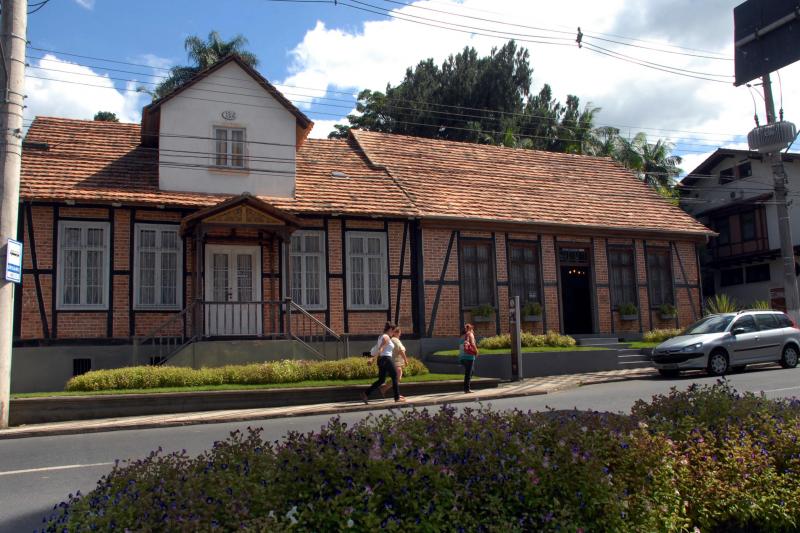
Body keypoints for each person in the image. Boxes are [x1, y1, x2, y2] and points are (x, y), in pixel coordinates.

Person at [361, 322, 406, 403]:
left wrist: (373, 357)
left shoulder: (380, 336)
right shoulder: (386, 337)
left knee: (381, 380)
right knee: (395, 376)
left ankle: (366, 393)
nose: (393, 333)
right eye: (393, 331)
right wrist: (372, 359)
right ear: (390, 329)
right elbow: (381, 349)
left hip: (381, 360)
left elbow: (376, 348)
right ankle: (397, 398)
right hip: (386, 359)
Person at [380, 326, 409, 398]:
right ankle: (385, 389)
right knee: (397, 377)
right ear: (396, 333)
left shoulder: (391, 339)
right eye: (399, 333)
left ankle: (386, 389)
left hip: (393, 361)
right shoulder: (395, 340)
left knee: (396, 377)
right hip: (396, 362)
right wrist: (406, 360)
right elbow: (401, 350)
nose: (400, 334)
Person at [459, 323, 478, 393]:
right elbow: (472, 343)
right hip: (469, 356)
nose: (473, 330)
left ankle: (466, 387)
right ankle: (467, 389)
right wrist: (476, 351)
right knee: (469, 372)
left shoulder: (462, 336)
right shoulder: (470, 334)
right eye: (472, 329)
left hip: (462, 357)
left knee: (470, 371)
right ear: (470, 329)